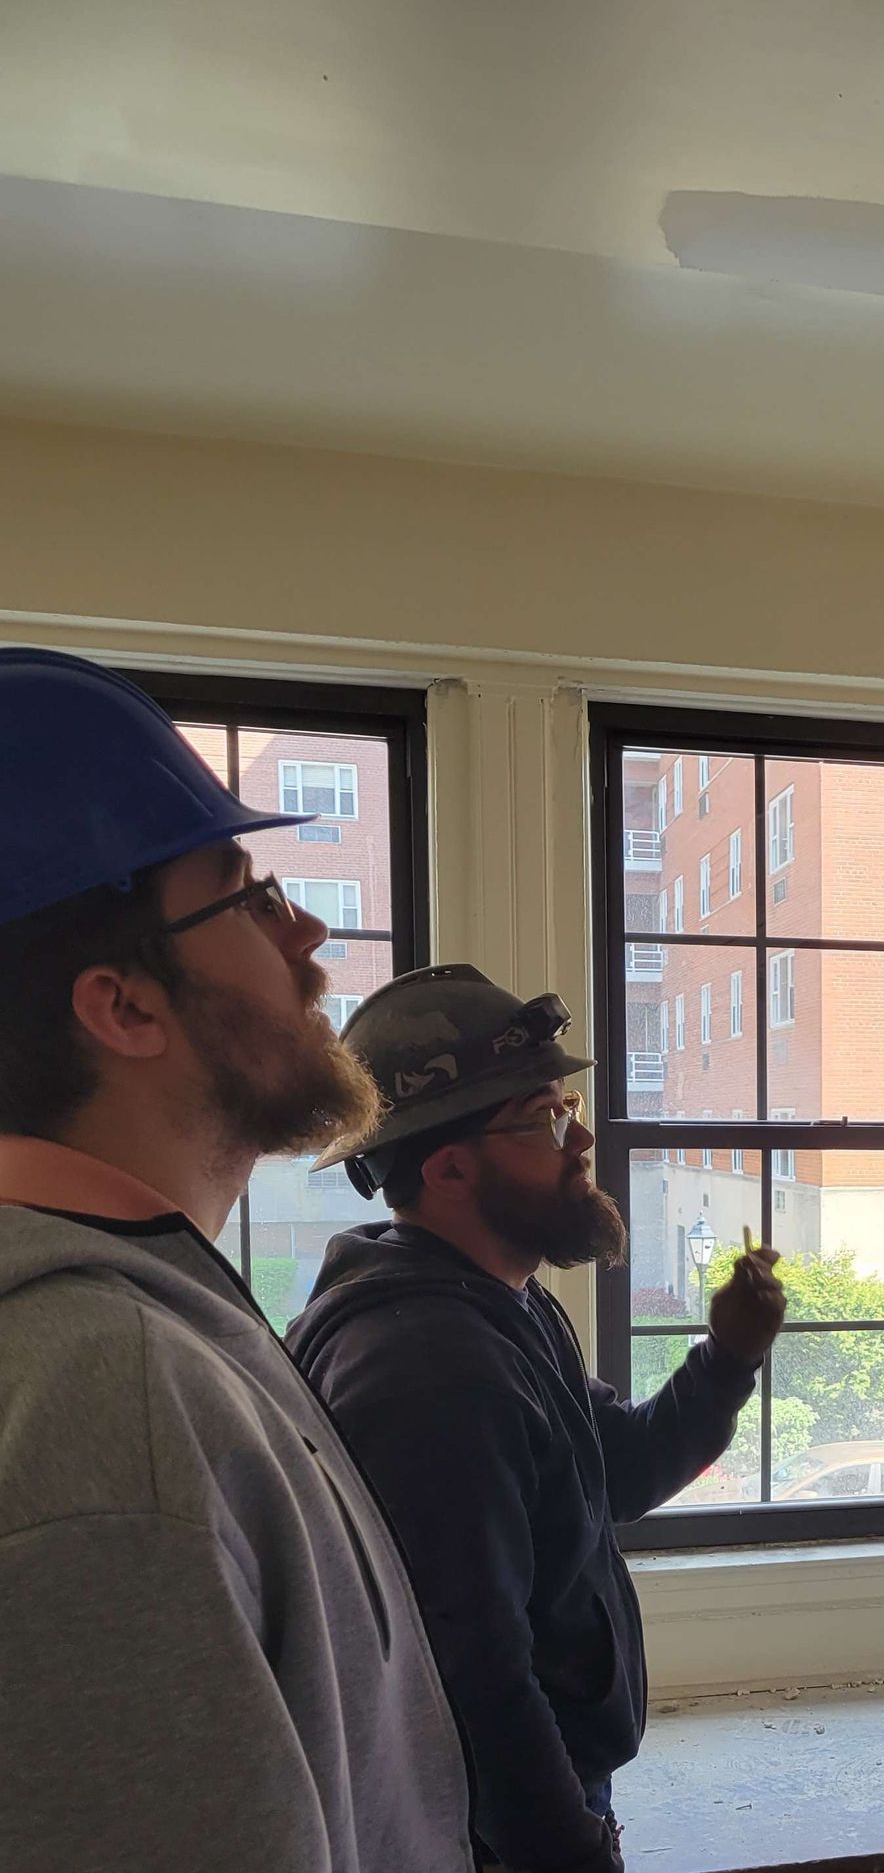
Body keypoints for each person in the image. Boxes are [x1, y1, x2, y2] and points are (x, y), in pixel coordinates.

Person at [0, 647, 474, 1873]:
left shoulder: (144, 1322)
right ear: (125, 1008)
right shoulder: (106, 1390)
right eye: (249, 899)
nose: (308, 930)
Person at [287, 964, 786, 1873]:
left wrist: (727, 1360)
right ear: (448, 1167)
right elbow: (474, 1682)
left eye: (568, 1106)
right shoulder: (430, 1371)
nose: (581, 1138)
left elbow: (616, 1474)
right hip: (492, 1838)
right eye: (545, 1119)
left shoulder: (496, 1306)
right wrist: (574, 1854)